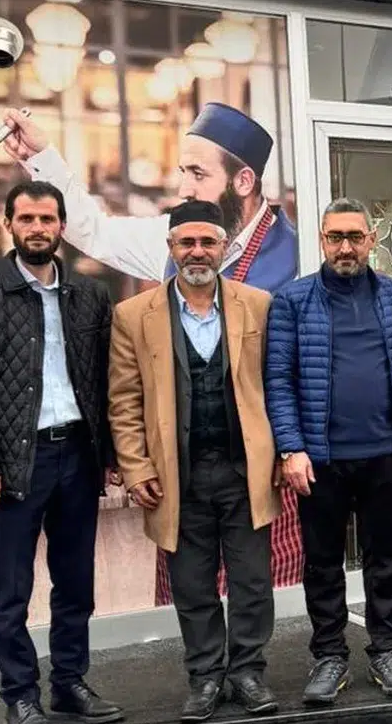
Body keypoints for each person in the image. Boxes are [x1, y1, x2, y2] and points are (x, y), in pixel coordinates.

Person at [3, 104, 302, 608]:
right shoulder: (173, 238)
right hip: (182, 466)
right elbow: (95, 231)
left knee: (262, 596)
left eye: (198, 173)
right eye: (183, 171)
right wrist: (42, 156)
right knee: (192, 597)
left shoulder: (296, 255)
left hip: (258, 467)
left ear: (244, 181)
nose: (184, 187)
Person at [0, 182, 121, 724]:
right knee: (11, 590)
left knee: (76, 584)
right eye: (27, 219)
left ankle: (69, 684)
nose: (38, 228)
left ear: (62, 225)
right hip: (13, 463)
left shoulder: (90, 294)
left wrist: (112, 455)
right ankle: (20, 695)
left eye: (47, 218)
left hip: (78, 457)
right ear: (9, 225)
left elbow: (107, 382)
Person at [108, 200, 280, 721]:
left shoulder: (258, 305)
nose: (197, 252)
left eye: (208, 242)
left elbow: (277, 385)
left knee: (252, 581)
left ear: (224, 248)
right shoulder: (133, 315)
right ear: (171, 248)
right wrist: (136, 467)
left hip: (243, 470)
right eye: (187, 242)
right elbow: (124, 399)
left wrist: (282, 451)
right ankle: (205, 677)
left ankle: (247, 672)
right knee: (192, 584)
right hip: (175, 476)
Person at [265, 198, 392, 704]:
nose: (345, 247)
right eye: (335, 237)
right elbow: (278, 380)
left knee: (385, 561)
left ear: (371, 240)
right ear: (322, 240)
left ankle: (387, 650)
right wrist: (291, 447)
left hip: (386, 453)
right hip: (320, 460)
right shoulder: (292, 301)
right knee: (323, 565)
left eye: (354, 236)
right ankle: (329, 656)